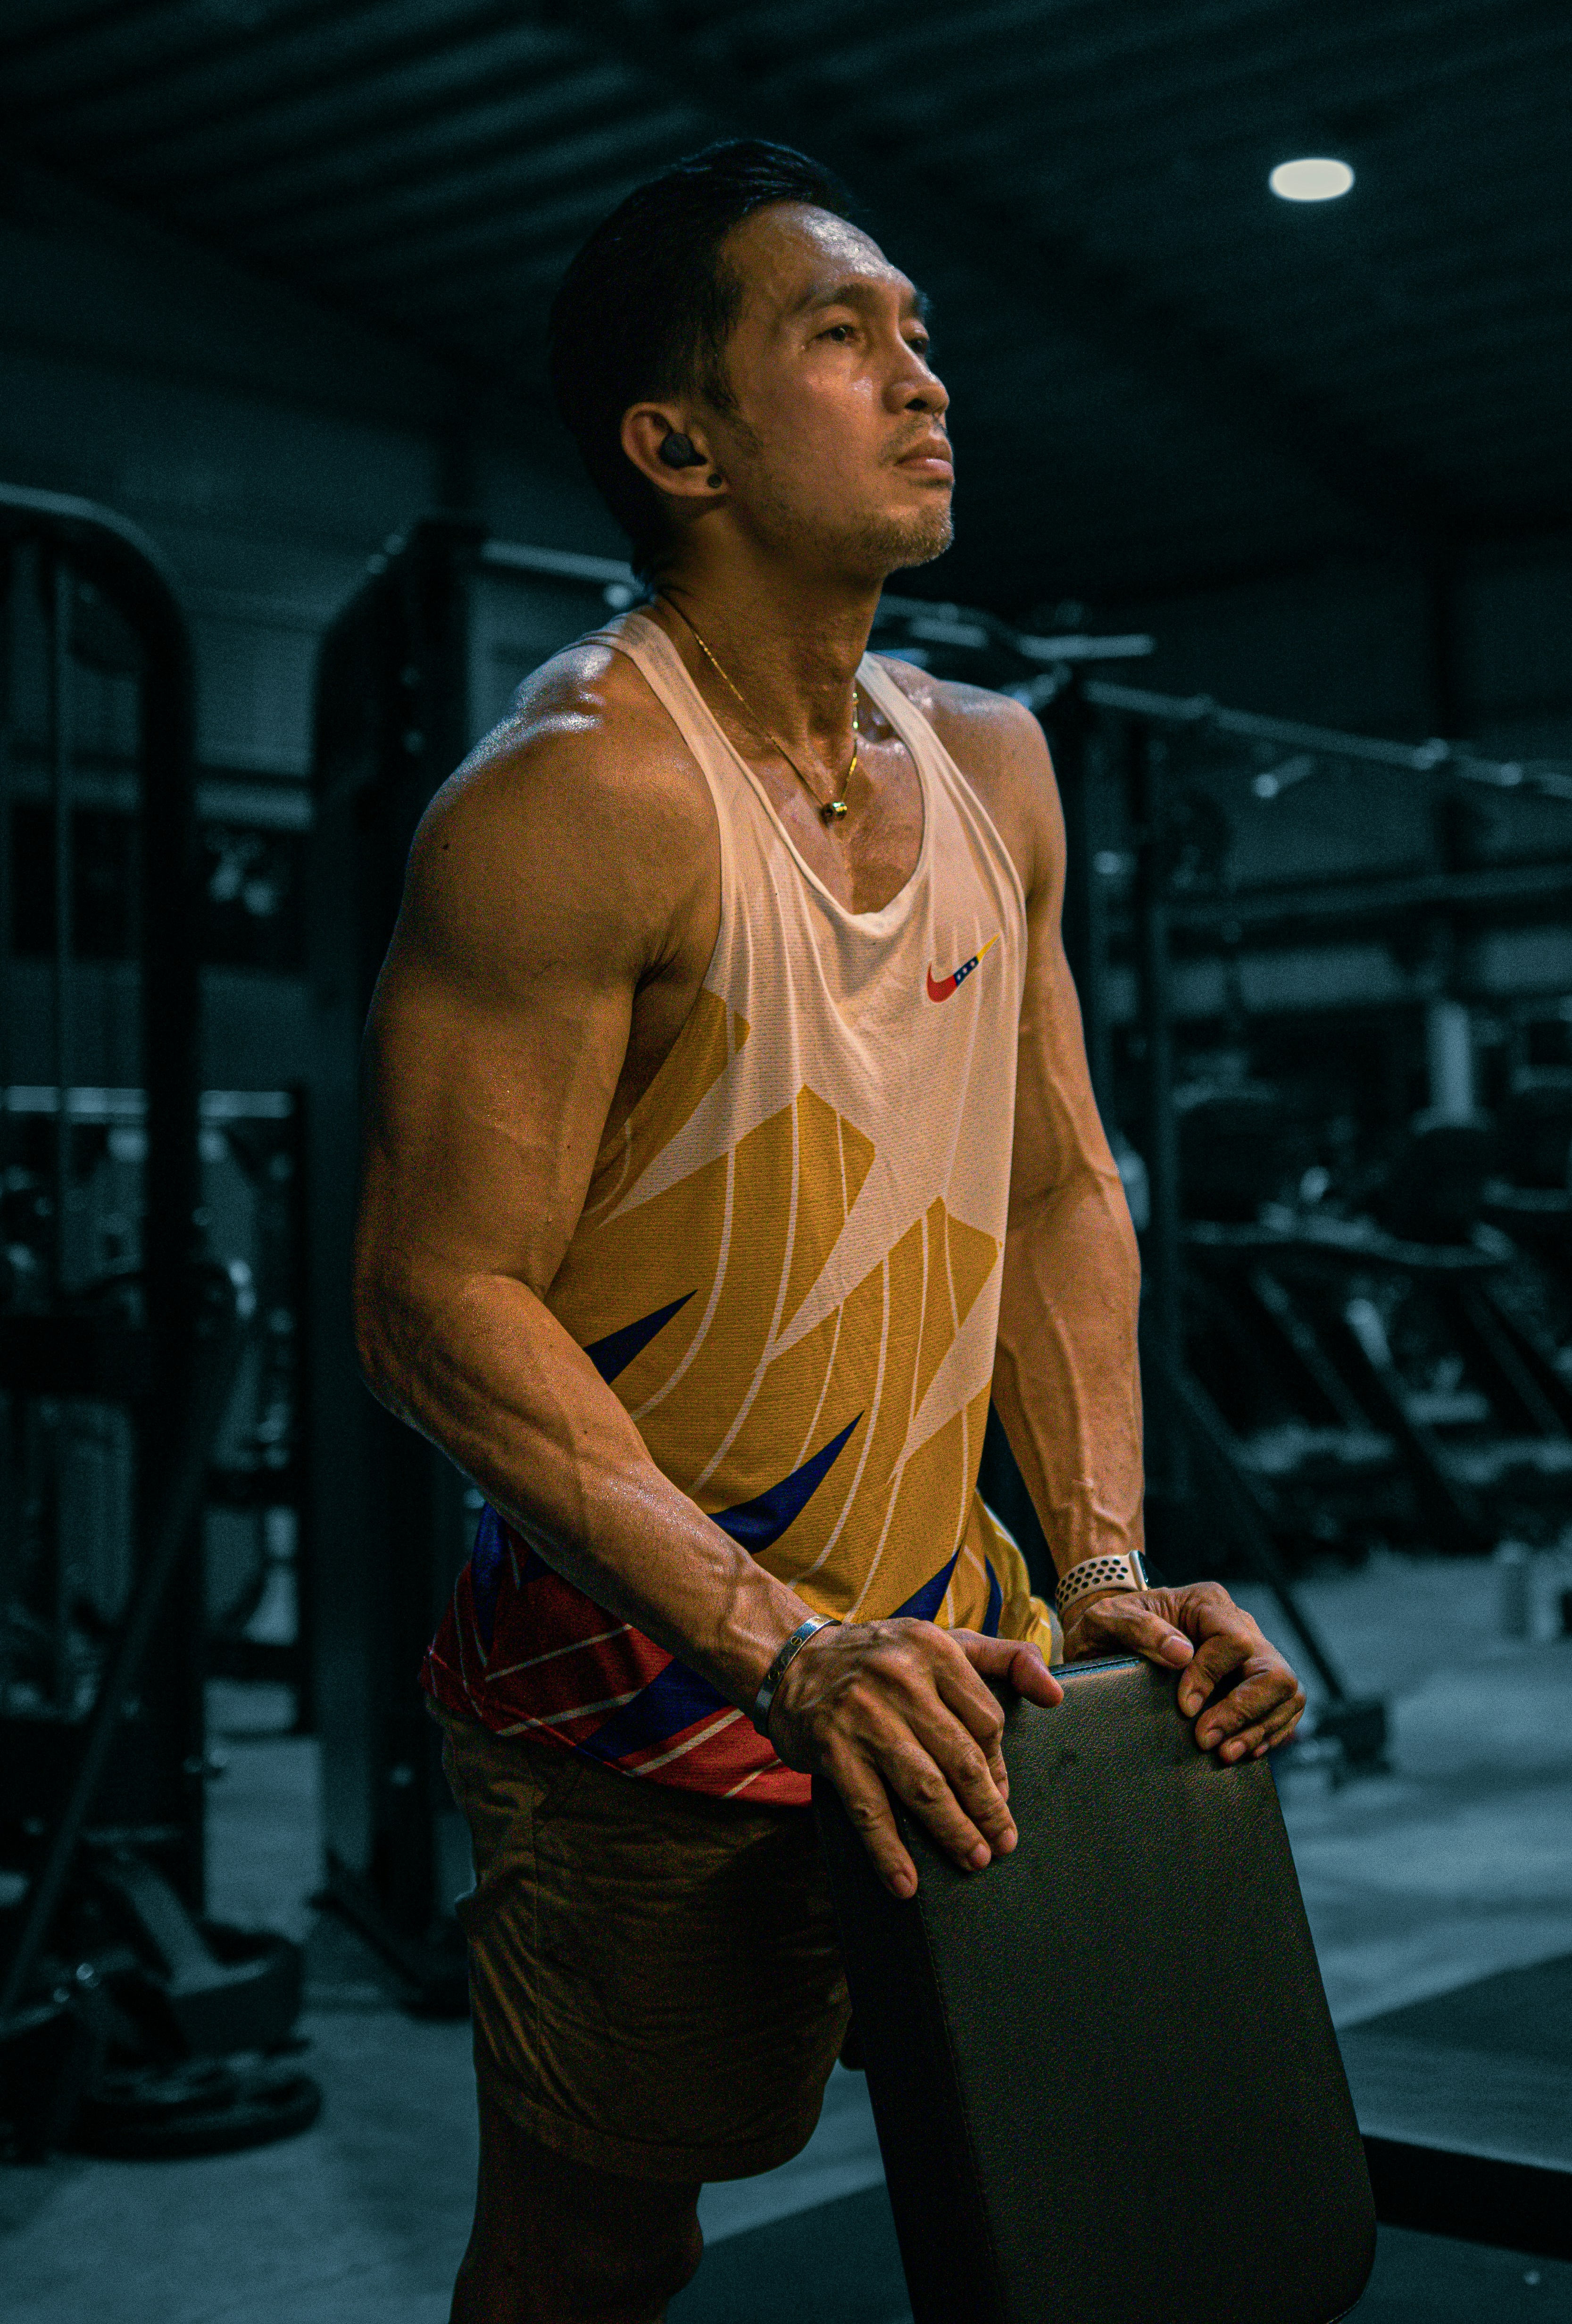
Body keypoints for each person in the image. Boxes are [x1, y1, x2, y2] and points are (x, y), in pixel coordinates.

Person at [352, 140, 1307, 2324]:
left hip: (953, 1650)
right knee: (609, 2234)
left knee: (1065, 2168)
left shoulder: (996, 763)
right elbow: (428, 1291)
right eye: (841, 334)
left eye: (922, 335)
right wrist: (774, 1640)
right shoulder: (577, 794)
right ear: (673, 441)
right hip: (635, 1683)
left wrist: (1099, 1571)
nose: (923, 379)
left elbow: (1059, 1179)